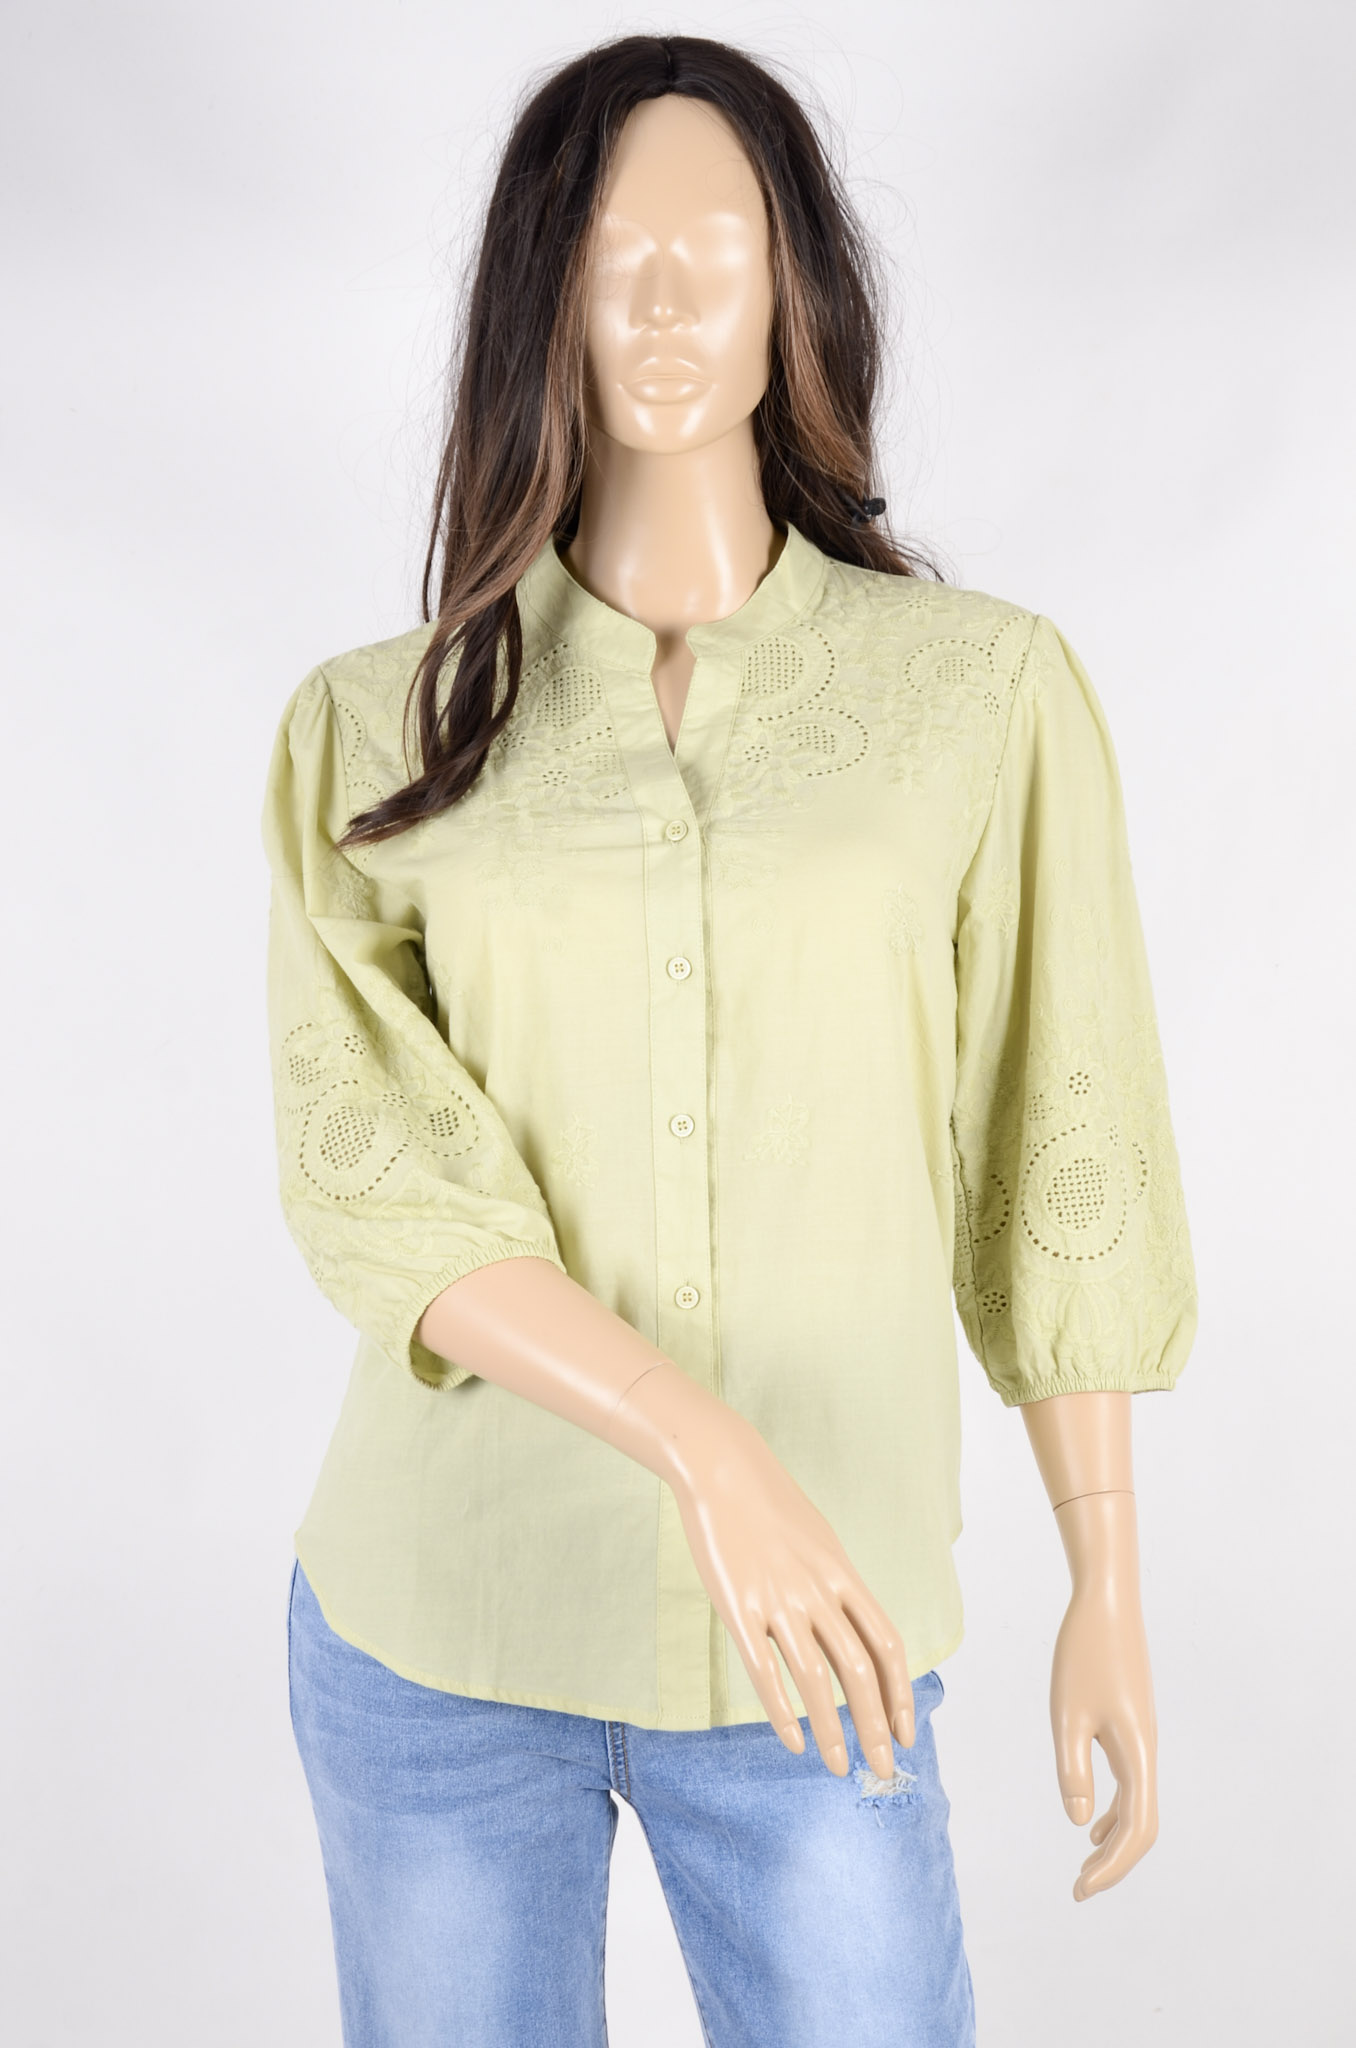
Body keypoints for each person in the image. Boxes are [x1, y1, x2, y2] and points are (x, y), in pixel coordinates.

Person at [260, 33, 1197, 2048]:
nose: (671, 299)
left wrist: (1104, 1571)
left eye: (722, 249)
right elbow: (385, 1193)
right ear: (544, 299)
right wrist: (708, 1449)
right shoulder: (370, 731)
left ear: (798, 291)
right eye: (615, 254)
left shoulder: (983, 699)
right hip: (444, 1622)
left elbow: (1064, 1140)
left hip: (821, 1647)